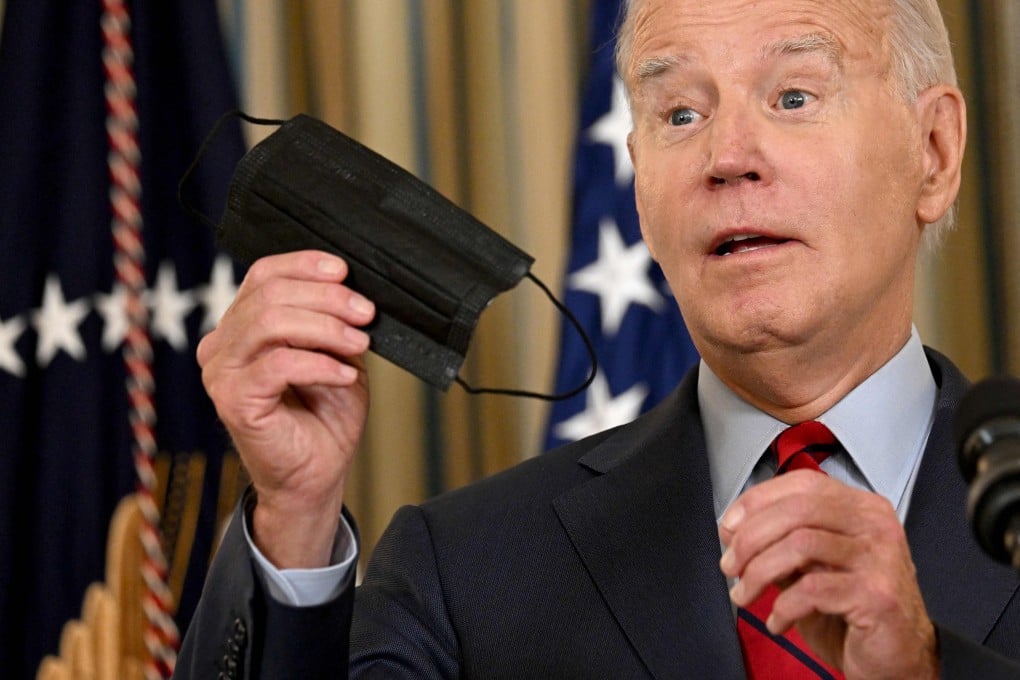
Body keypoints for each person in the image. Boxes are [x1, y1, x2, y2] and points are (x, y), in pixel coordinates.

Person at [176, 0, 1020, 677]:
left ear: (935, 151)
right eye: (680, 113)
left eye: (793, 97)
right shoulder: (466, 569)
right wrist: (294, 517)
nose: (728, 156)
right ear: (640, 186)